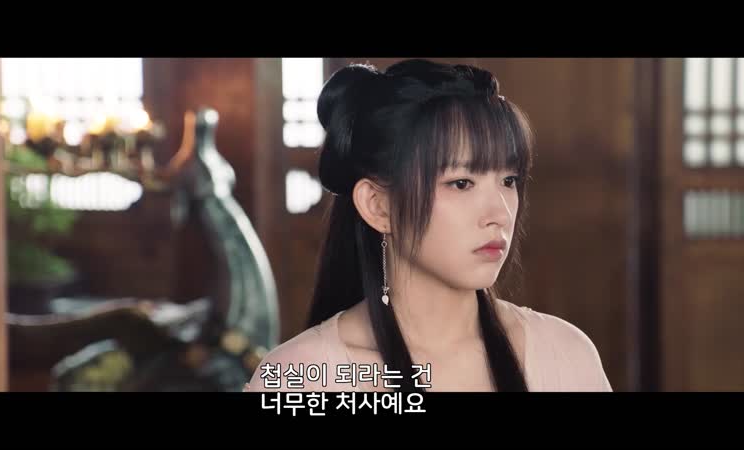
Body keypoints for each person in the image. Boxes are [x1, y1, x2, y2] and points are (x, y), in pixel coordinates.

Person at [245, 59, 611, 392]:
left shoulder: (564, 354)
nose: (500, 213)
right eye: (462, 183)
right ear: (378, 206)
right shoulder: (302, 378)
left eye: (509, 180)